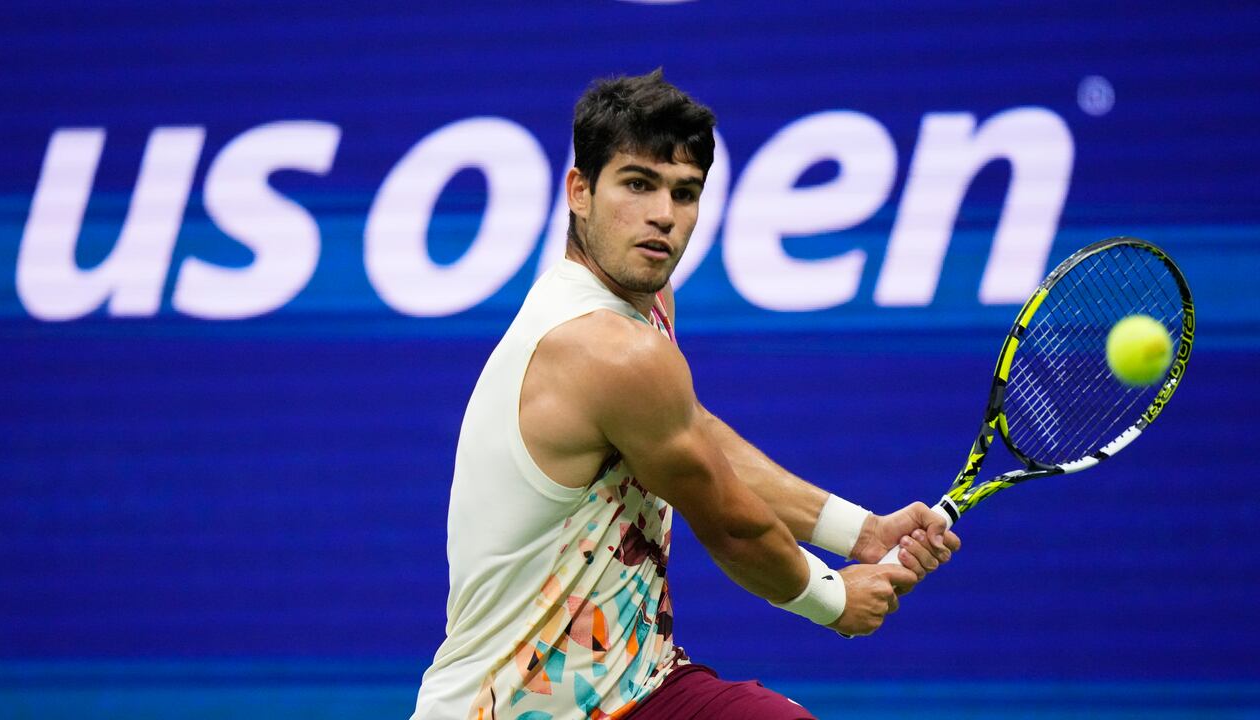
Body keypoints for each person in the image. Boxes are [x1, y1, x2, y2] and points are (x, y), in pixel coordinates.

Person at [410, 69, 961, 720]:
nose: (663, 216)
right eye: (638, 185)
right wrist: (835, 599)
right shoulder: (607, 350)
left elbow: (694, 433)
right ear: (579, 191)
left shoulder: (644, 312)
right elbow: (728, 522)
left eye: (685, 192)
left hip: (638, 688)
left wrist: (860, 531)